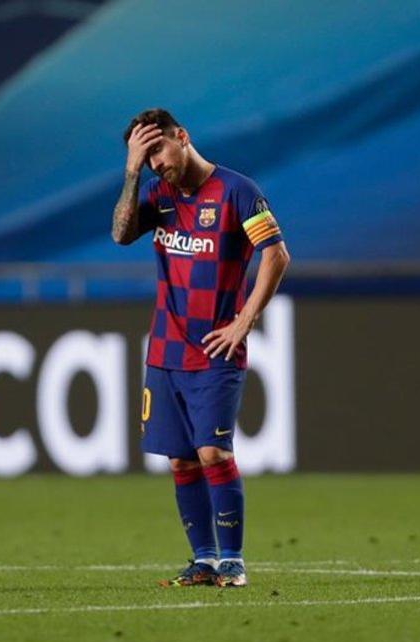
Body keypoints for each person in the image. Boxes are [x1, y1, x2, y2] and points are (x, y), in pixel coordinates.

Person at [112, 109, 291, 588]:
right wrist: (131, 172)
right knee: (180, 460)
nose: (154, 164)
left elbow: (276, 254)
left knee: (212, 451)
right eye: (142, 157)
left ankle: (233, 562)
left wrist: (245, 320)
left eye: (156, 150)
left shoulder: (237, 191)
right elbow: (121, 233)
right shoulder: (157, 194)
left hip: (215, 349)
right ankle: (204, 559)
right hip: (166, 351)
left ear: (182, 136)